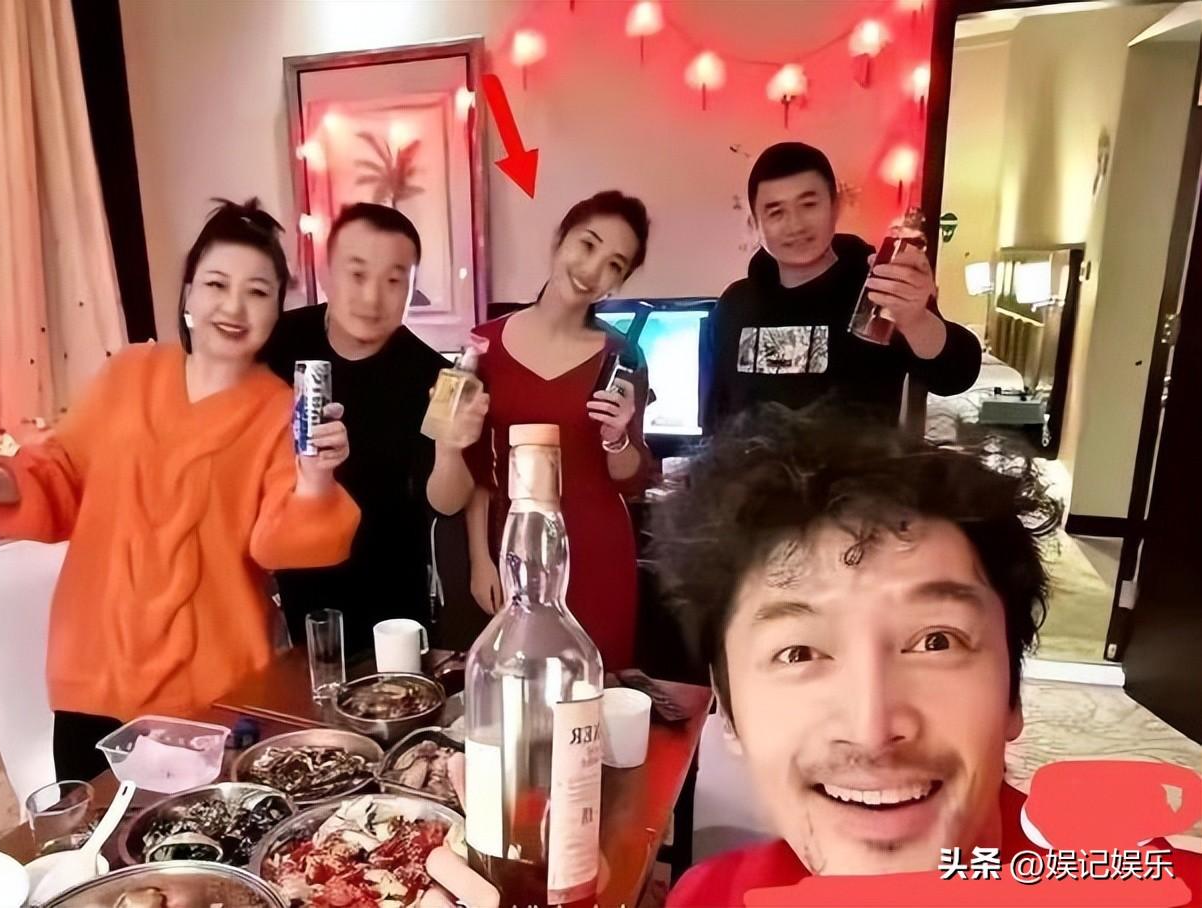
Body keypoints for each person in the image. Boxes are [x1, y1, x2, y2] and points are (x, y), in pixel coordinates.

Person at [421, 405, 1200, 906]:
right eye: (798, 651)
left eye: (936, 640)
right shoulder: (711, 897)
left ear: (1012, 698)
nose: (871, 726)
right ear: (728, 717)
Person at [0, 199, 359, 781]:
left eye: (257, 291)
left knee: (198, 836)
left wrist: (314, 480)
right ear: (188, 296)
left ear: (277, 309)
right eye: (216, 284)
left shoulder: (283, 412)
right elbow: (59, 476)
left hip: (211, 689)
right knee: (88, 830)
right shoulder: (128, 375)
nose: (233, 306)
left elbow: (280, 544)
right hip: (94, 672)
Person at [262, 203, 487, 652]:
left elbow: (445, 501)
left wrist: (449, 447)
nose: (371, 298)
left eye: (393, 280)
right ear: (327, 272)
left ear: (411, 287)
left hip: (391, 596)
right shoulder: (278, 342)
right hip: (289, 588)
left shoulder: (430, 374)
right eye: (358, 274)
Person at [463, 190, 652, 671]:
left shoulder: (623, 356)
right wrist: (480, 559)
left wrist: (618, 438)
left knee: (596, 696)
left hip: (598, 555)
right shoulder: (484, 345)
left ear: (619, 281)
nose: (592, 270)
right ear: (560, 239)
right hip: (515, 553)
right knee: (516, 690)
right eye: (587, 245)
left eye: (614, 265)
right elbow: (474, 468)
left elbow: (632, 476)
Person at [702, 142, 980, 433]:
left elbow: (955, 375)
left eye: (808, 205)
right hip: (749, 463)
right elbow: (715, 416)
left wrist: (916, 320)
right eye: (776, 212)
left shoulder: (879, 290)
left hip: (860, 463)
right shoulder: (735, 305)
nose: (795, 225)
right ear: (755, 224)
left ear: (835, 206)